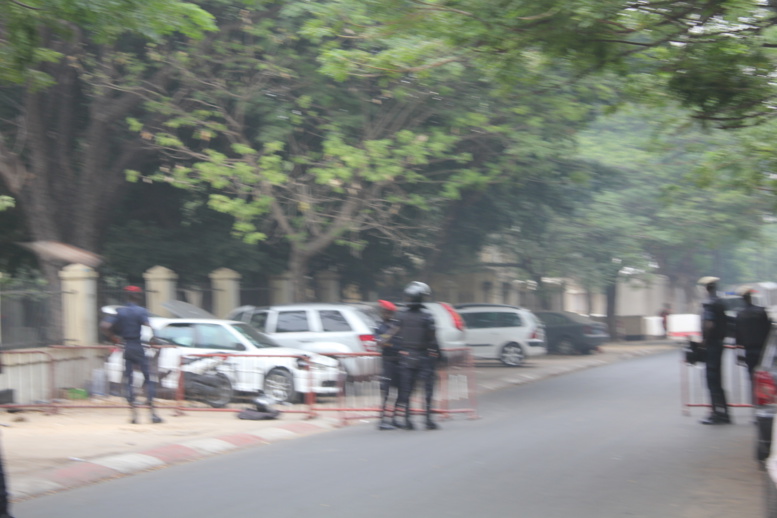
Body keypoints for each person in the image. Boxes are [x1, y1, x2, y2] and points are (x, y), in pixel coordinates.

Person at [100, 286, 163, 425]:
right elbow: (149, 326)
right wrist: (154, 339)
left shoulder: (120, 312)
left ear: (127, 297)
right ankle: (152, 414)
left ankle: (134, 415)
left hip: (126, 347)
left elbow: (105, 326)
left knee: (129, 380)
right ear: (138, 297)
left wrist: (114, 338)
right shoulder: (141, 311)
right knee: (148, 378)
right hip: (138, 346)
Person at [394, 281, 442, 431]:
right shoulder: (427, 316)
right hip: (424, 356)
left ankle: (407, 419)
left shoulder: (401, 315)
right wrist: (440, 355)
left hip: (406, 356)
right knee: (427, 389)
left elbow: (395, 336)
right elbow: (432, 338)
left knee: (407, 389)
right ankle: (427, 419)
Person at [698, 276, 731, 425]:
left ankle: (715, 414)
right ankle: (725, 413)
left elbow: (709, 324)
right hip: (720, 343)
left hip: (712, 345)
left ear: (706, 288)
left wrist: (704, 341)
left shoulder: (709, 303)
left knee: (711, 380)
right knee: (718, 380)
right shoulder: (721, 302)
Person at [735, 286, 772, 389]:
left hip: (749, 349)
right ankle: (763, 396)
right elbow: (768, 329)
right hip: (763, 348)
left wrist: (739, 353)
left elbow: (738, 335)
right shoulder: (761, 311)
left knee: (751, 374)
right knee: (764, 374)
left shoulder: (740, 314)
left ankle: (754, 398)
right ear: (751, 297)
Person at [375, 299, 401, 430]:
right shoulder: (380, 327)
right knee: (386, 391)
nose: (385, 314)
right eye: (384, 312)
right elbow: (380, 342)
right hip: (387, 361)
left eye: (388, 312)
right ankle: (383, 420)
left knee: (398, 391)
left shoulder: (397, 325)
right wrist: (391, 333)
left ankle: (394, 418)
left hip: (398, 360)